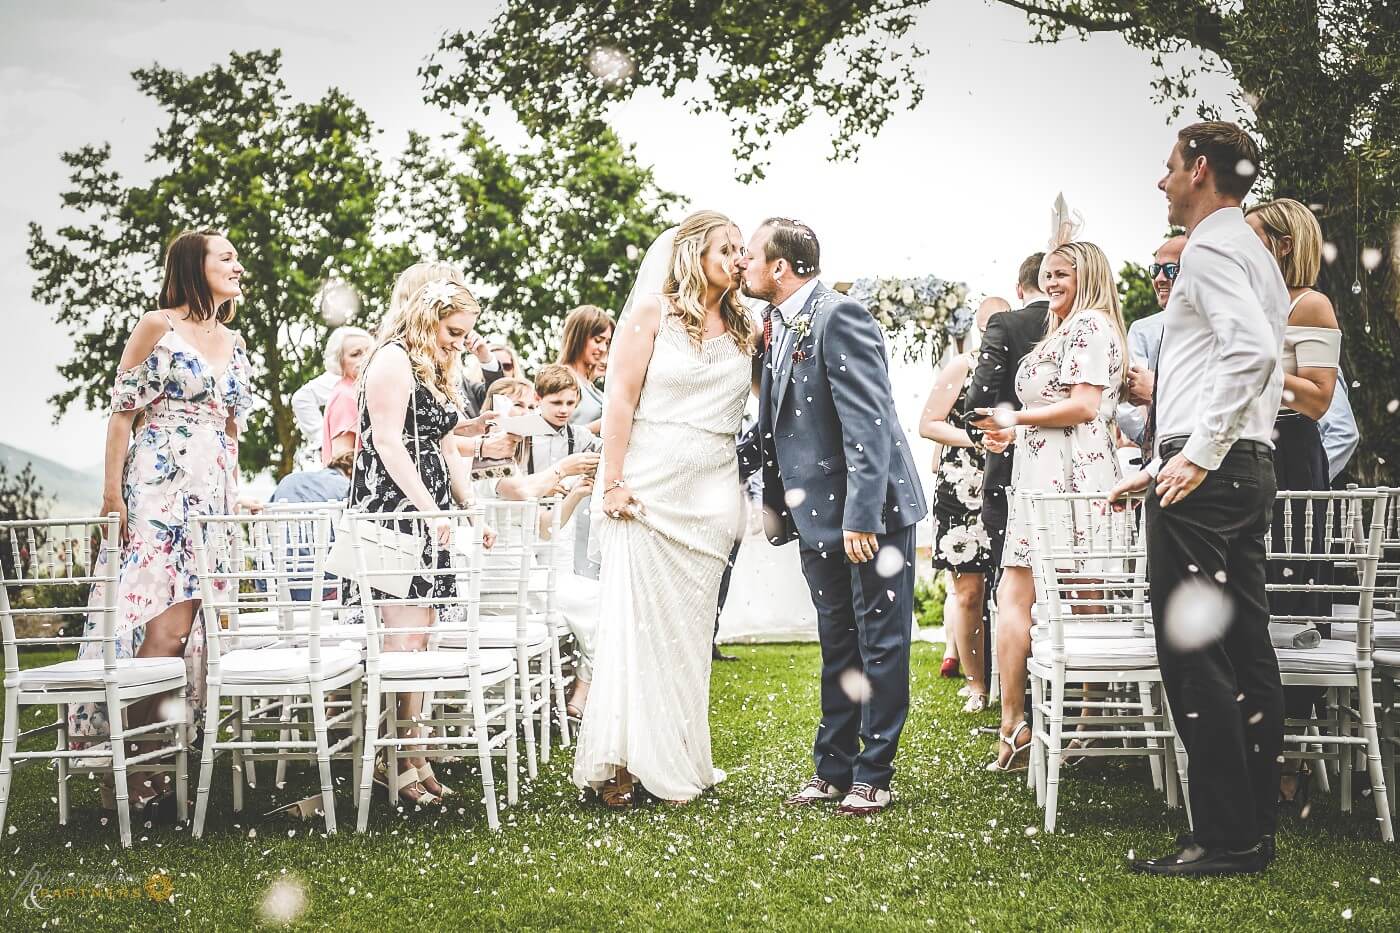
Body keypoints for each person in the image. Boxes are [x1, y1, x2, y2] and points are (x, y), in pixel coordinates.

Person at [1113, 121, 1288, 877]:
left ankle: (1222, 837)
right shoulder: (1256, 251)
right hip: (1247, 465)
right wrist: (1162, 462)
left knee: (1194, 654)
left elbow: (1251, 350)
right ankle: (1252, 823)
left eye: (1169, 166)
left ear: (1201, 168)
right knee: (1247, 645)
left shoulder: (1213, 246)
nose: (1162, 180)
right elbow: (1224, 364)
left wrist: (1197, 454)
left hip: (1214, 470)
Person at [738, 217, 928, 817]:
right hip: (814, 515)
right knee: (837, 641)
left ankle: (874, 773)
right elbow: (775, 427)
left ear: (779, 267)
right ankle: (833, 768)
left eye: (748, 256)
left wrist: (861, 519)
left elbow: (868, 425)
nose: (742, 266)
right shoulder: (776, 324)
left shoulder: (839, 316)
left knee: (881, 641)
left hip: (869, 514)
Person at [572, 210, 754, 809]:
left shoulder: (747, 326)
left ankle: (675, 755)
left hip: (710, 499)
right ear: (693, 253)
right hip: (647, 490)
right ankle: (621, 762)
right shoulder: (652, 312)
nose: (736, 257)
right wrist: (611, 481)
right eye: (724, 248)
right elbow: (620, 399)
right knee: (634, 629)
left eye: (741, 248)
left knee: (685, 637)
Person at [69, 229, 252, 809]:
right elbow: (122, 416)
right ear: (194, 266)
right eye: (226, 257)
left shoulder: (235, 340)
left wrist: (235, 493)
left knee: (181, 634)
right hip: (158, 492)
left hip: (211, 498)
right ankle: (119, 762)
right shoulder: (158, 326)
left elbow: (230, 429)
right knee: (154, 624)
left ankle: (146, 751)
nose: (237, 265)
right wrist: (111, 496)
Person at [970, 242, 1127, 771]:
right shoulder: (1058, 332)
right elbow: (1049, 409)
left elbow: (1084, 406)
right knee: (1014, 592)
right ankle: (1013, 725)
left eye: (1062, 273)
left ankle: (1084, 727)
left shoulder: (1092, 327)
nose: (1052, 282)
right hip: (1038, 475)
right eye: (1047, 274)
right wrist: (1008, 436)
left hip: (1077, 478)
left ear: (1090, 276)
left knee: (1083, 600)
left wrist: (1016, 422)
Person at [350, 269, 483, 808]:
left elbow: (446, 446)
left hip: (431, 511)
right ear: (427, 319)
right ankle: (395, 759)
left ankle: (414, 751)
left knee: (420, 639)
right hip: (390, 511)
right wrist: (428, 510)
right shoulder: (391, 359)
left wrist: (471, 507)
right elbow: (385, 440)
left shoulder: (434, 367)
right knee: (400, 642)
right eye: (452, 331)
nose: (459, 342)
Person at [1245, 197, 1343, 807]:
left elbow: (1318, 399)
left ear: (1282, 244)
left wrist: (1261, 365)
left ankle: (1290, 759)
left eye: (1255, 237)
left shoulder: (1310, 304)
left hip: (1292, 454)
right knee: (1257, 590)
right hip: (1253, 448)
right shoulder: (1253, 305)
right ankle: (1259, 747)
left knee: (1291, 594)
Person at [962, 254, 1050, 693]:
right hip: (1085, 471)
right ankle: (1065, 681)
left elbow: (976, 405)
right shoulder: (1086, 324)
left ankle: (1014, 692)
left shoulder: (1004, 325)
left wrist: (990, 427)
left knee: (1013, 584)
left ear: (1019, 288)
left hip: (1013, 470)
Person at [919, 297, 1007, 712]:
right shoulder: (960, 367)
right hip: (961, 488)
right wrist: (973, 440)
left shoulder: (1025, 368)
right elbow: (928, 424)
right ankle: (976, 684)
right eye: (988, 325)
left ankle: (1013, 682)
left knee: (1012, 591)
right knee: (968, 592)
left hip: (1008, 485)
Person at [1116, 236, 1187, 453]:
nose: (1160, 278)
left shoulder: (1224, 326)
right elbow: (1129, 400)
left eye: (1170, 269)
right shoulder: (1143, 330)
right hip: (1162, 453)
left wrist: (1157, 388)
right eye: (1155, 270)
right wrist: (1151, 441)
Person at [317, 326, 373, 465]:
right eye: (355, 354)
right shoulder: (345, 396)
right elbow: (343, 460)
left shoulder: (361, 391)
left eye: (370, 351)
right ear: (340, 362)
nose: (365, 358)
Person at [557, 305, 613, 435]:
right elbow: (557, 436)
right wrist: (608, 422)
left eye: (607, 343)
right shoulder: (562, 378)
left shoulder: (591, 386)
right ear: (578, 337)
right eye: (598, 340)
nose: (603, 349)